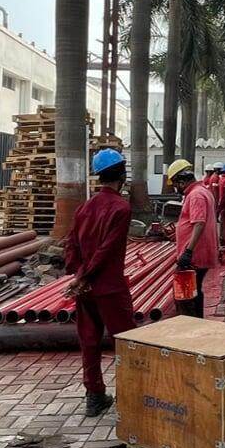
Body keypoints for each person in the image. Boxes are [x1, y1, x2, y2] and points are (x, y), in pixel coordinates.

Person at [62, 149, 132, 416]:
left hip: (86, 289)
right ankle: (130, 395)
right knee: (125, 342)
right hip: (109, 287)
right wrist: (84, 276)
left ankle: (94, 396)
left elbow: (72, 243)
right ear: (122, 176)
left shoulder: (84, 207)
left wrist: (77, 275)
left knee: (89, 342)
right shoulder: (121, 209)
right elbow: (107, 250)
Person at [169, 159, 219, 316]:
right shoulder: (202, 191)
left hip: (195, 255)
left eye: (176, 184)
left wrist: (188, 251)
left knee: (186, 295)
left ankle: (192, 325)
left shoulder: (196, 195)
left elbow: (199, 223)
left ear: (182, 181)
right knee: (195, 291)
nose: (176, 188)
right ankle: (197, 322)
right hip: (200, 252)